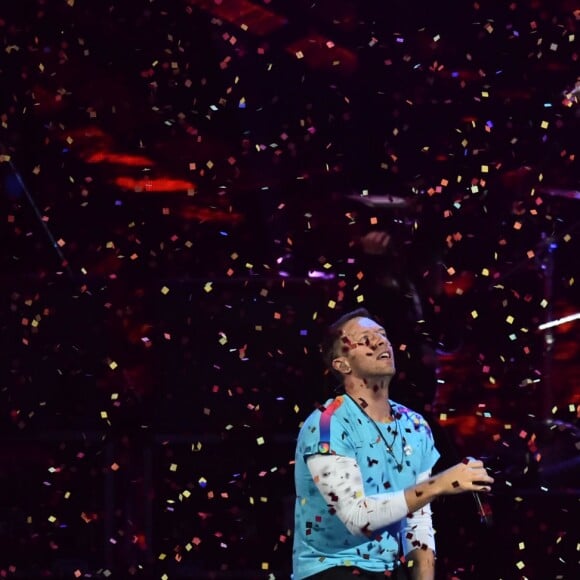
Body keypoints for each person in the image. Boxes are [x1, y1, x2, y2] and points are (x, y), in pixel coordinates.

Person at [292, 308, 494, 579]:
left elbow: (417, 522)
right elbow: (357, 518)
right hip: (331, 569)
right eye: (364, 339)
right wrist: (440, 484)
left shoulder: (415, 426)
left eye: (382, 335)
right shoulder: (327, 425)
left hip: (388, 570)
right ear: (342, 364)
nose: (379, 342)